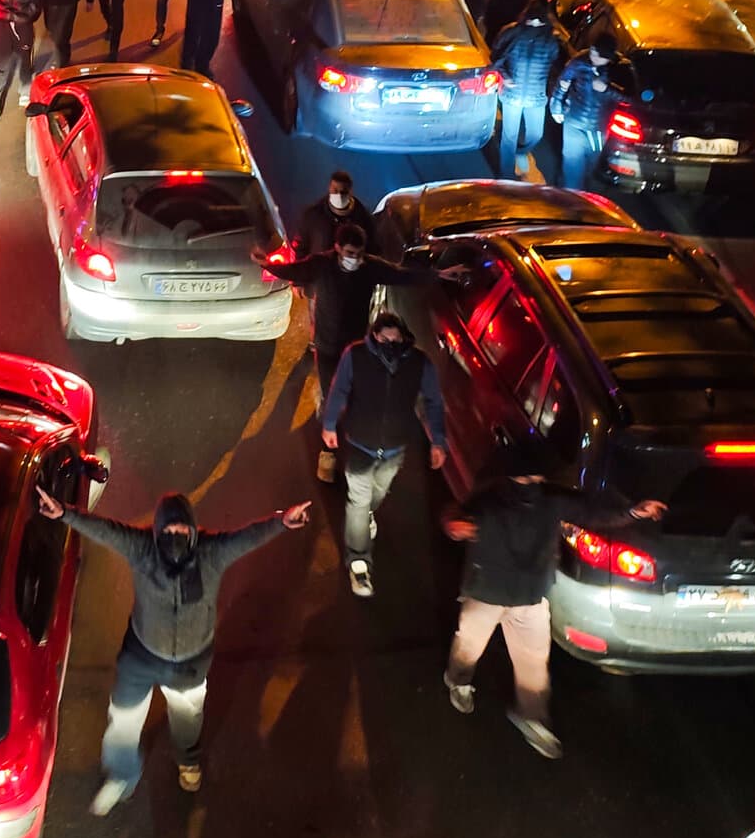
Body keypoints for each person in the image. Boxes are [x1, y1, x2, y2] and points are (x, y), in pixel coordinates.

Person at [37, 484, 311, 809]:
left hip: (190, 665)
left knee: (186, 719)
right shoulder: (141, 549)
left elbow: (246, 538)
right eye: (168, 528)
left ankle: (188, 760)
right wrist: (65, 514)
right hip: (139, 658)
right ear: (156, 530)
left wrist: (282, 521)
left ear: (193, 529)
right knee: (123, 717)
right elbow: (106, 531)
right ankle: (122, 773)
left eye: (182, 528)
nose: (175, 534)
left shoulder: (212, 552)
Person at [442, 443, 666, 757]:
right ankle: (459, 679)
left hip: (512, 596)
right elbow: (592, 511)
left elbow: (592, 512)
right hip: (502, 595)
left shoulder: (534, 499)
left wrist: (631, 512)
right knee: (482, 647)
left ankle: (528, 714)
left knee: (526, 659)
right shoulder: (509, 498)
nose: (530, 482)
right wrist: (455, 525)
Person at [256, 226, 434, 483]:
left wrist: (437, 274)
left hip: (356, 349)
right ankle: (328, 453)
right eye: (351, 253)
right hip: (327, 347)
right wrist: (268, 266)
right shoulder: (322, 265)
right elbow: (293, 270)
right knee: (334, 396)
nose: (356, 258)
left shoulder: (369, 268)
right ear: (338, 248)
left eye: (360, 253)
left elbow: (402, 275)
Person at [321, 310, 447, 597]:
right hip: (360, 446)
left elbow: (433, 403)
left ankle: (367, 516)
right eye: (384, 338)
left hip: (394, 449)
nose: (390, 343)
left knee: (376, 495)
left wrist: (438, 441)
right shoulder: (355, 356)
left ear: (403, 338)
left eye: (395, 338)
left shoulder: (419, 363)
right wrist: (329, 424)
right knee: (358, 500)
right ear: (374, 336)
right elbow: (339, 389)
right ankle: (359, 565)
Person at [493, 0, 566, 179]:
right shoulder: (512, 34)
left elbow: (553, 66)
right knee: (509, 138)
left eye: (538, 22)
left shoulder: (549, 40)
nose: (534, 25)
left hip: (536, 96)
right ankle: (506, 175)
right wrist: (506, 78)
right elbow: (496, 59)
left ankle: (522, 152)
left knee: (536, 134)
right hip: (512, 95)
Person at [549, 32, 619, 191]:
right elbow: (562, 83)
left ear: (608, 58)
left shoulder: (616, 71)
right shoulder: (579, 62)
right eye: (593, 51)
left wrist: (606, 89)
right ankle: (569, 197)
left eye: (598, 55)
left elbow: (628, 98)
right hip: (573, 122)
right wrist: (556, 108)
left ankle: (583, 194)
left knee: (591, 165)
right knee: (572, 165)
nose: (593, 57)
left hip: (597, 129)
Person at [296, 170, 364, 257]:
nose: (339, 195)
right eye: (335, 191)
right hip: (320, 269)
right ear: (329, 188)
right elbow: (301, 248)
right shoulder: (313, 215)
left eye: (343, 192)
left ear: (350, 191)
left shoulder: (362, 217)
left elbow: (372, 250)